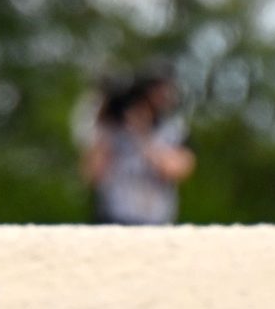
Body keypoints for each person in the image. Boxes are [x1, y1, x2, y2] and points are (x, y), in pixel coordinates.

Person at [83, 67, 196, 225]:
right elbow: (92, 175)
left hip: (156, 223)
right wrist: (102, 123)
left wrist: (142, 134)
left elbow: (175, 170)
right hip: (112, 220)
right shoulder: (112, 131)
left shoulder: (173, 131)